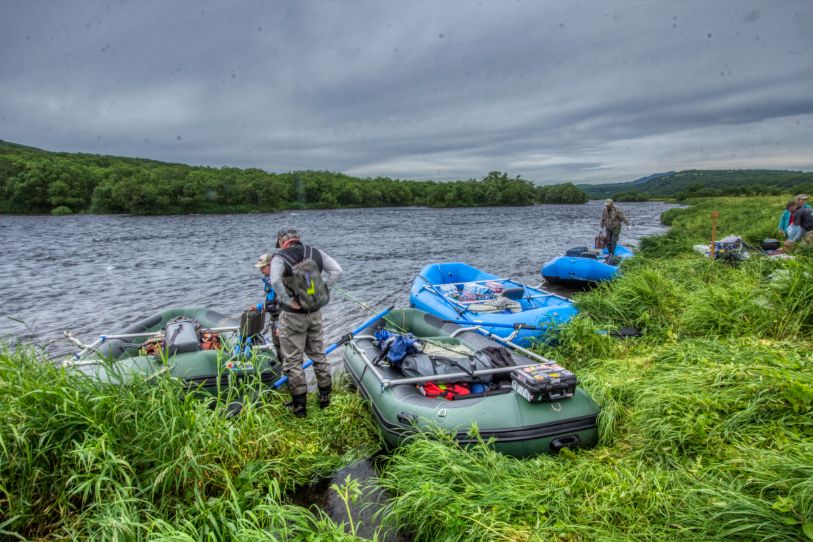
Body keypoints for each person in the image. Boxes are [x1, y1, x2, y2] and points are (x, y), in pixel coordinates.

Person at [269, 227, 342, 418]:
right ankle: (325, 398)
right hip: (315, 312)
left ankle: (300, 407)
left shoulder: (279, 257)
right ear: (297, 239)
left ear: (281, 242)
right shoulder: (315, 252)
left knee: (293, 360)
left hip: (292, 316)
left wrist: (286, 299)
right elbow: (337, 271)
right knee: (318, 354)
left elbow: (275, 281)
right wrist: (325, 289)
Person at [252, 252, 282, 359]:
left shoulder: (276, 281)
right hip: (275, 319)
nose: (261, 270)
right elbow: (271, 300)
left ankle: (289, 372)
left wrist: (261, 307)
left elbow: (276, 303)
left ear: (271, 265)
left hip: (282, 320)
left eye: (263, 267)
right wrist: (260, 306)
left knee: (284, 351)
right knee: (279, 351)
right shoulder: (268, 281)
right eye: (260, 268)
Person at [600, 199, 629, 263]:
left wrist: (628, 224)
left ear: (611, 204)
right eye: (606, 205)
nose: (607, 206)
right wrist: (601, 228)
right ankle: (609, 253)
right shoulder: (604, 210)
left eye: (608, 205)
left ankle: (612, 255)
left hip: (616, 227)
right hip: (608, 227)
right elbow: (602, 219)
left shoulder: (617, 209)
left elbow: (623, 217)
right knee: (608, 241)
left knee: (613, 241)